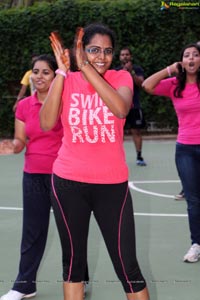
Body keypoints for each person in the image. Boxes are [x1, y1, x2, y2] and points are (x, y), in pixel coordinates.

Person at [40, 23, 149, 300]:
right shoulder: (67, 80)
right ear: (82, 50)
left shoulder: (121, 76)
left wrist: (85, 66)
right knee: (73, 265)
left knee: (128, 266)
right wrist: (63, 72)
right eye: (94, 50)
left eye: (107, 50)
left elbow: (121, 108)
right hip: (68, 184)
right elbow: (46, 122)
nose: (101, 56)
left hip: (111, 186)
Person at [0, 54, 63, 300]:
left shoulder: (65, 102)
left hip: (65, 176)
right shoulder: (24, 106)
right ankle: (24, 286)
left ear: (56, 75)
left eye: (45, 72)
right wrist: (4, 147)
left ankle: (79, 278)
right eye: (35, 72)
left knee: (72, 232)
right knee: (32, 232)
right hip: (33, 176)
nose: (38, 77)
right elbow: (19, 143)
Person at [142, 43, 200, 263]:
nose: (191, 58)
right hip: (185, 149)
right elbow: (147, 85)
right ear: (182, 62)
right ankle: (196, 244)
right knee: (194, 201)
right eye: (187, 56)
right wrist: (169, 69)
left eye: (196, 55)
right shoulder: (175, 84)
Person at [116, 47, 147, 166]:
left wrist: (131, 72)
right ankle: (118, 158)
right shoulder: (116, 71)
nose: (125, 57)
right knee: (118, 134)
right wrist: (124, 72)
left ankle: (139, 157)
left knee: (137, 132)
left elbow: (142, 84)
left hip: (135, 107)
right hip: (119, 107)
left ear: (131, 56)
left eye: (127, 54)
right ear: (119, 57)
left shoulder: (137, 69)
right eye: (122, 55)